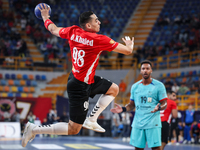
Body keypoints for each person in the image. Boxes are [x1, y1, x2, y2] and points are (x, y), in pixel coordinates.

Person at [21, 4, 134, 147]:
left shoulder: (73, 31)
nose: (99, 22)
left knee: (114, 89)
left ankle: (92, 119)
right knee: (73, 129)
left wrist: (45, 17)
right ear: (88, 25)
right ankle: (34, 129)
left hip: (83, 79)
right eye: (96, 20)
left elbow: (53, 29)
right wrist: (130, 45)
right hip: (79, 86)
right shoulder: (99, 39)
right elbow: (128, 51)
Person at [111, 60, 168, 150]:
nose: (145, 70)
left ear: (151, 70)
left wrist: (159, 107)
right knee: (138, 148)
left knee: (156, 148)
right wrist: (123, 109)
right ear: (141, 71)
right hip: (138, 123)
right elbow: (131, 105)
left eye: (147, 68)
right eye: (143, 69)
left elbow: (164, 103)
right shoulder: (135, 86)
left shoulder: (159, 85)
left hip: (153, 123)